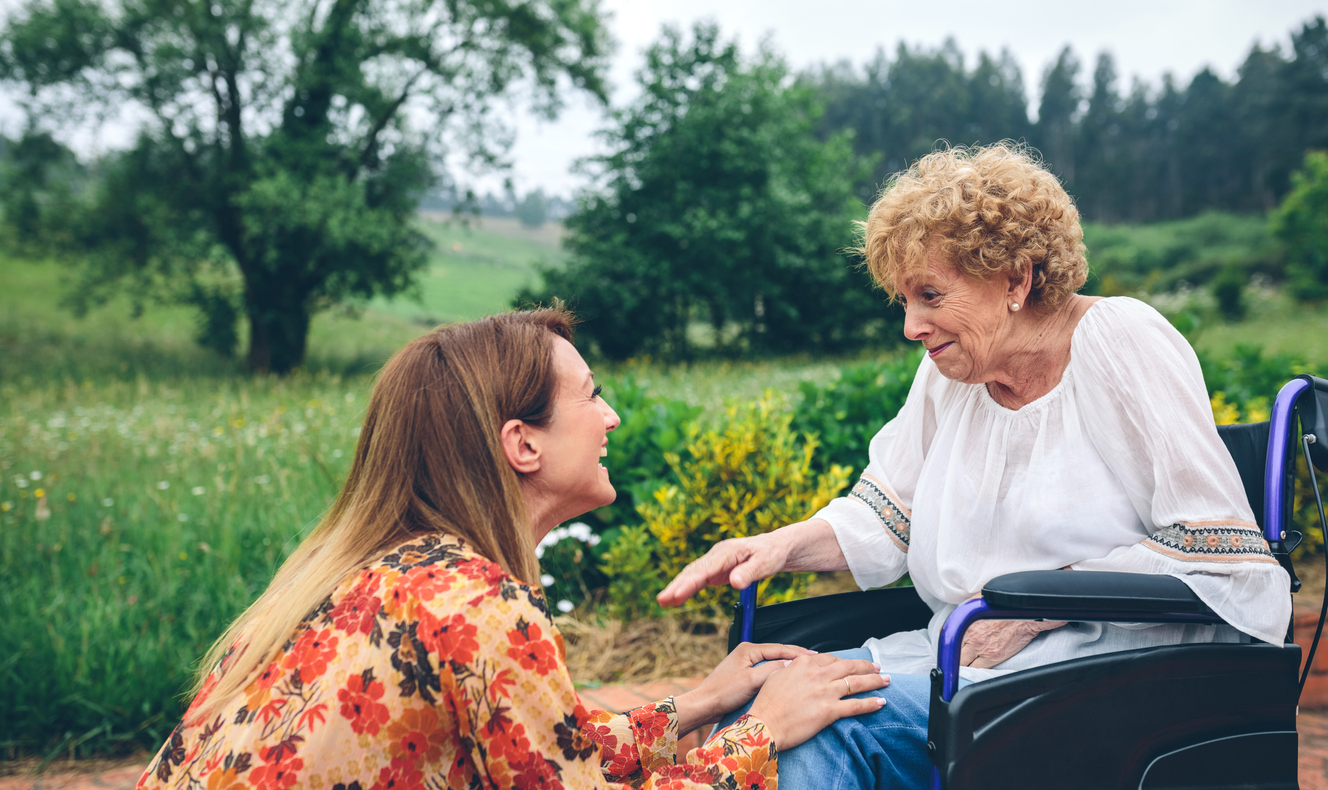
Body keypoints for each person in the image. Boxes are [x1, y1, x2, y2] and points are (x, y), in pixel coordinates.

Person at [656, 143, 1293, 789]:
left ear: (1015, 279)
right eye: (903, 300)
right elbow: (887, 517)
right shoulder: (953, 373)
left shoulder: (1119, 339)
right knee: (755, 705)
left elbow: (1224, 554)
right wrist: (773, 547)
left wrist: (1025, 614)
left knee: (822, 727)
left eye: (930, 295)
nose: (911, 326)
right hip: (967, 655)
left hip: (1101, 668)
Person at [133, 309, 888, 790]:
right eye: (591, 395)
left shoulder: (370, 571)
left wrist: (701, 701)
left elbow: (546, 756)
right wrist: (762, 732)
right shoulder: (480, 607)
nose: (613, 418)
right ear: (521, 444)